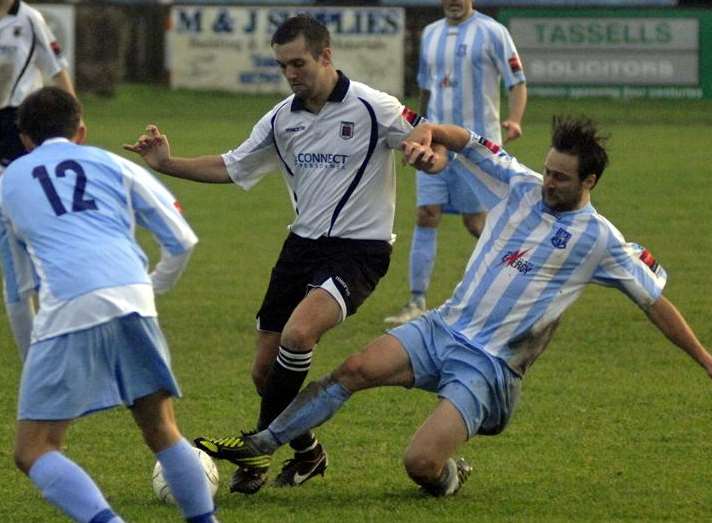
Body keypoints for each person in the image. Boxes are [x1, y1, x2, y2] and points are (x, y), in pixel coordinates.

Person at [196, 116, 712, 497]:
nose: (547, 182)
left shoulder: (600, 241)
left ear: (590, 182)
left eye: (560, 178)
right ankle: (262, 442)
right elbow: (463, 140)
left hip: (489, 368)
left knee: (419, 463)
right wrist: (427, 136)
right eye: (549, 170)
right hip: (442, 328)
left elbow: (655, 303)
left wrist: (706, 361)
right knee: (353, 368)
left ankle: (449, 476)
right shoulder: (520, 183)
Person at [124, 14, 423, 495]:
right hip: (300, 247)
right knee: (265, 371)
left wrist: (426, 151)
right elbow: (232, 165)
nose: (290, 74)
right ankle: (307, 452)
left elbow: (425, 134)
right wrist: (166, 163)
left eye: (298, 63)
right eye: (282, 65)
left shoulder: (373, 106)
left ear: (326, 56)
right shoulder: (283, 117)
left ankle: (257, 448)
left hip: (359, 251)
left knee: (300, 334)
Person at [1, 87, 218, 523]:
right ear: (81, 131)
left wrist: (32, 359)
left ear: (24, 139)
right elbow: (181, 240)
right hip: (133, 298)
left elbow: (17, 293)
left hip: (68, 308)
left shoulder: (8, 185)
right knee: (160, 426)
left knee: (34, 449)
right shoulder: (116, 164)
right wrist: (148, 291)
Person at [385, 0, 527, 324]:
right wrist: (418, 126)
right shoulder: (431, 34)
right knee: (426, 214)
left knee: (478, 224)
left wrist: (515, 119)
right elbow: (426, 88)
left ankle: (519, 283)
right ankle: (416, 302)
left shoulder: (493, 32)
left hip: (475, 147)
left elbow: (517, 82)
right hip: (435, 145)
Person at [1, 0, 77, 357]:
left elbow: (56, 67)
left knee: (31, 238)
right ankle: (37, 353)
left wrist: (73, 117)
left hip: (20, 128)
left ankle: (46, 344)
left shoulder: (30, 19)